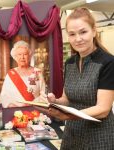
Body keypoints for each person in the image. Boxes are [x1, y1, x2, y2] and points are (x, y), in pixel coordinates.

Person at [40, 8, 114, 149]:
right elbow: (67, 99)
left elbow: (103, 109)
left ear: (94, 31)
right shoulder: (70, 63)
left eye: (83, 32)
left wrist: (68, 116)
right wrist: (54, 101)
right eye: (72, 34)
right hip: (72, 134)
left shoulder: (108, 63)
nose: (78, 39)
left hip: (99, 136)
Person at [0, 40, 47, 108]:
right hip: (15, 112)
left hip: (35, 111)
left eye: (25, 54)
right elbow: (3, 96)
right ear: (15, 57)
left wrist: (34, 104)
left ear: (29, 56)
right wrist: (11, 105)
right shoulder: (10, 74)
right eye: (19, 54)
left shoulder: (37, 72)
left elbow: (44, 94)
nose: (22, 57)